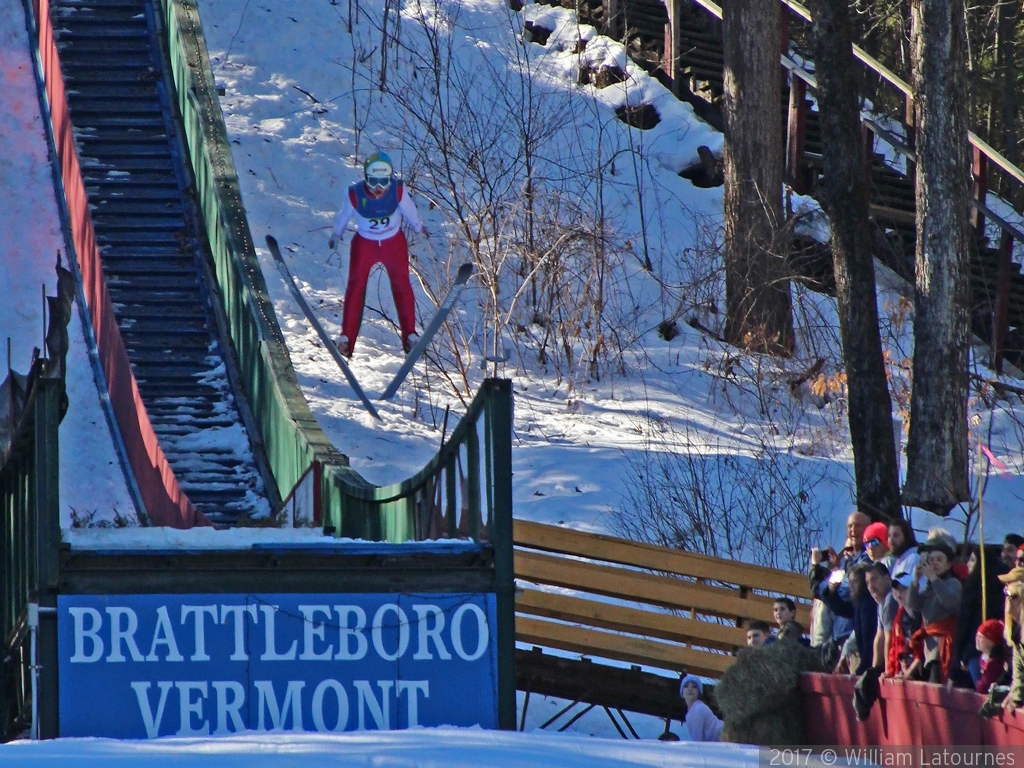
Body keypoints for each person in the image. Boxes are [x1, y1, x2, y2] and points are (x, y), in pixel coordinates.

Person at [329, 151, 428, 357]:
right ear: (366, 178)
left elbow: (410, 210)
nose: (379, 188)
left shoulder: (398, 191)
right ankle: (346, 337)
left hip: (393, 243)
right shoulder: (355, 194)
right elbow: (344, 215)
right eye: (373, 181)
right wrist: (336, 234)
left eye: (384, 181)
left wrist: (419, 228)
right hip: (365, 244)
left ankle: (410, 334)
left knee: (401, 283)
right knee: (356, 285)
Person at [809, 511, 871, 668]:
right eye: (850, 526)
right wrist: (836, 568)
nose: (853, 530)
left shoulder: (866, 559)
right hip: (838, 636)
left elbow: (842, 591)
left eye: (858, 526)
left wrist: (819, 572)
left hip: (853, 635)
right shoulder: (846, 560)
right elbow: (826, 590)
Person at [906, 530, 962, 683]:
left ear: (949, 563)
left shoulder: (953, 583)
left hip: (944, 644)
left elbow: (949, 601)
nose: (935, 563)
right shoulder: (929, 587)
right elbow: (913, 605)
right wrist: (915, 581)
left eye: (939, 559)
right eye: (931, 560)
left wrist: (933, 578)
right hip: (929, 645)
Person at [950, 544, 1009, 689]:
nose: (968, 565)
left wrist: (956, 658)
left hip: (978, 650)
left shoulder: (974, 590)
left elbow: (963, 625)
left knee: (982, 689)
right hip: (991, 651)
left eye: (972, 560)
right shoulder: (998, 588)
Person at [998, 567, 1024, 713]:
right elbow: (1018, 671)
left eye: (1013, 596)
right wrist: (1015, 694)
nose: (1008, 600)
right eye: (1006, 593)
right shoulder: (1015, 630)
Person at [679, 674, 723, 741]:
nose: (690, 689)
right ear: (682, 693)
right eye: (686, 686)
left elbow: (697, 741)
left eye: (694, 687)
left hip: (727, 737)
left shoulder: (698, 708)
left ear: (698, 693)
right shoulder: (690, 712)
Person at [974, 618, 1007, 695]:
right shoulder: (984, 658)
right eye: (976, 636)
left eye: (981, 637)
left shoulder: (993, 663)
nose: (977, 639)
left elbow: (983, 687)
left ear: (991, 642)